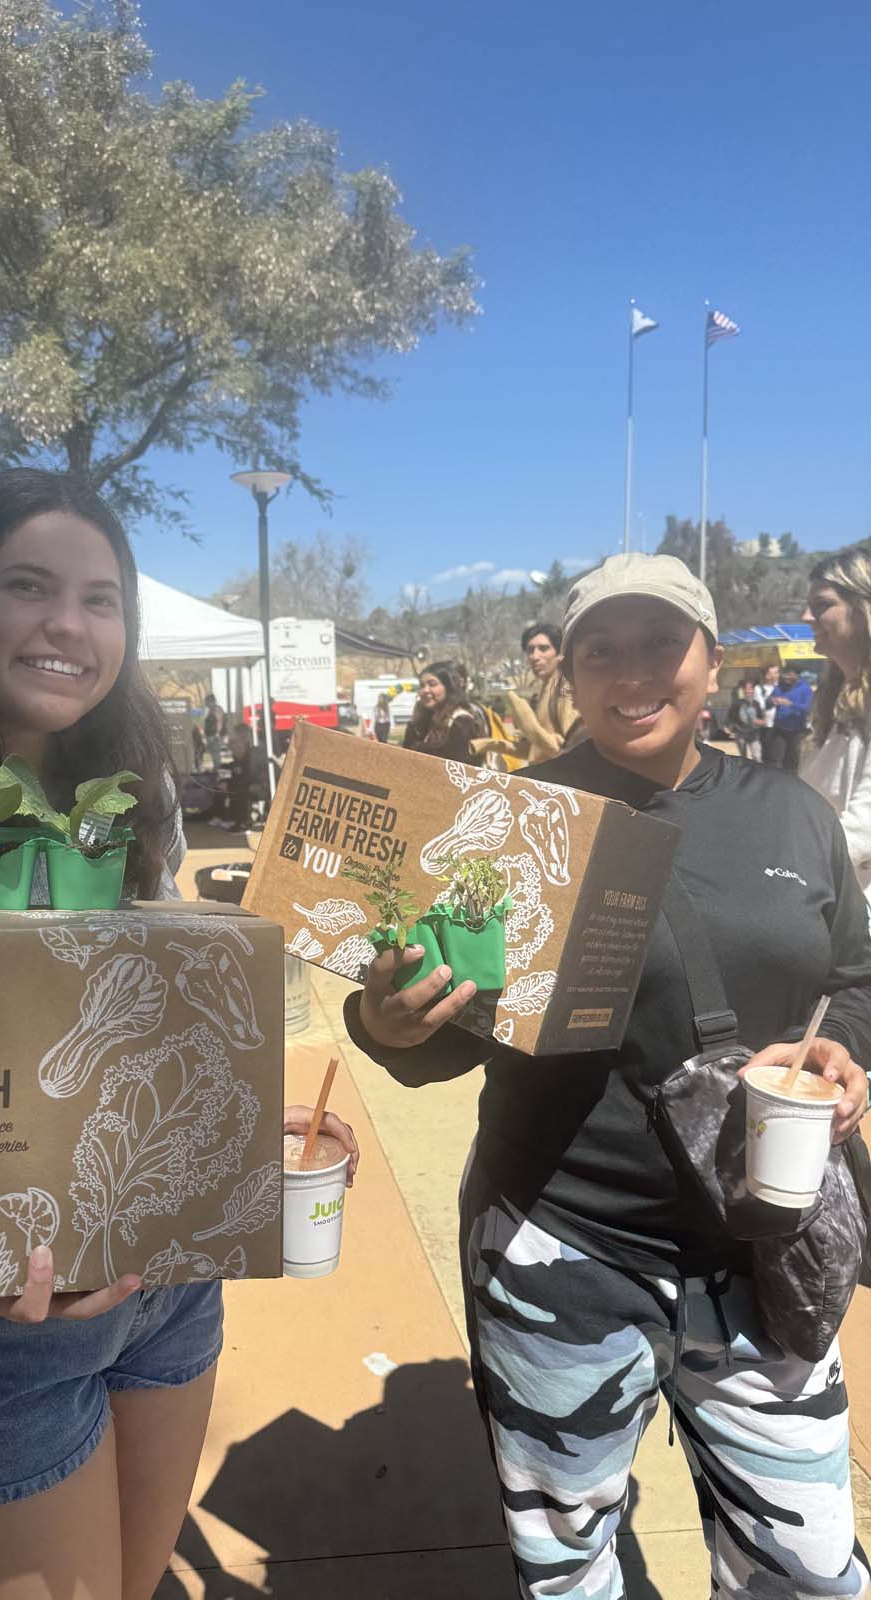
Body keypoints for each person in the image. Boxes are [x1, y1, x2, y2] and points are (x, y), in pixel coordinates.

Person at [0, 470, 358, 1600]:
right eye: (28, 586)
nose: (68, 624)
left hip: (169, 1287)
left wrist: (226, 1126)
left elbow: (134, 1025)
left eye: (100, 598)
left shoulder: (140, 806)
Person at [346, 552, 871, 1600]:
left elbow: (854, 974)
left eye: (662, 645)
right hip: (563, 1243)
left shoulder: (794, 815)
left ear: (710, 664)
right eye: (602, 650)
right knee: (569, 1564)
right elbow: (440, 1032)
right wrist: (385, 1019)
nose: (634, 672)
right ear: (569, 676)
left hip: (761, 1253)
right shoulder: (504, 822)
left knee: (810, 1570)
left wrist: (837, 1047)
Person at [802, 547, 871, 902]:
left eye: (821, 605)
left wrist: (790, 866)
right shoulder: (834, 697)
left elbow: (864, 825)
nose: (806, 616)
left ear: (862, 611)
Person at [507, 621, 582, 763]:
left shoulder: (564, 687)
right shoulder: (547, 686)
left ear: (560, 653)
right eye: (530, 650)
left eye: (543, 648)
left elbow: (571, 752)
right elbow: (537, 751)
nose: (535, 656)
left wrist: (529, 725)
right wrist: (491, 745)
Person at [402, 662, 492, 764]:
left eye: (432, 684)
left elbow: (458, 768)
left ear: (448, 687)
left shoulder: (461, 721)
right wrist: (414, 724)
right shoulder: (426, 719)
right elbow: (406, 754)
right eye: (422, 686)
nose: (425, 690)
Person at [768, 665, 814, 772]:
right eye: (785, 675)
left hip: (796, 731)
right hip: (779, 729)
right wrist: (771, 701)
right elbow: (768, 702)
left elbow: (809, 708)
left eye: (789, 675)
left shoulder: (805, 689)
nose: (786, 678)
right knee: (776, 759)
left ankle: (791, 781)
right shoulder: (779, 686)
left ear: (796, 675)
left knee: (792, 760)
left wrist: (791, 704)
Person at [727, 679, 764, 761]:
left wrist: (760, 722)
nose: (748, 691)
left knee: (757, 756)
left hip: (753, 733)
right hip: (741, 733)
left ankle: (758, 772)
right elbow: (730, 717)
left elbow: (761, 718)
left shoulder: (756, 704)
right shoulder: (737, 703)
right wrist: (730, 727)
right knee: (743, 757)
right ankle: (746, 772)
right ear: (743, 691)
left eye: (751, 689)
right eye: (746, 689)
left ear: (753, 690)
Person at [754, 661, 780, 763]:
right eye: (772, 673)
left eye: (777, 672)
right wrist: (772, 701)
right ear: (767, 675)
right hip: (767, 726)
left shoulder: (782, 688)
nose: (776, 675)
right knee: (768, 754)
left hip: (782, 725)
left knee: (780, 755)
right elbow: (761, 706)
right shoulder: (759, 688)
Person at [202, 693, 226, 769]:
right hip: (210, 735)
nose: (205, 703)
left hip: (215, 735)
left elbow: (220, 721)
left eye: (206, 701)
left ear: (211, 701)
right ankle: (216, 768)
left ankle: (217, 768)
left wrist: (217, 734)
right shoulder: (210, 710)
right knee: (213, 753)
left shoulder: (217, 709)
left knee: (215, 753)